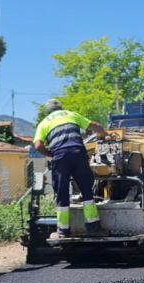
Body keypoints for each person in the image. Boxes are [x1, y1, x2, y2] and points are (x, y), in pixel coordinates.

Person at [33, 98, 106, 236]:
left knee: (62, 193)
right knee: (86, 190)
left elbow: (37, 145)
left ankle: (63, 230)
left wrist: (50, 153)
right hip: (78, 153)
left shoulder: (44, 123)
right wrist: (105, 136)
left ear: (47, 112)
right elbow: (95, 126)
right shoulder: (71, 114)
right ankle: (93, 227)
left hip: (60, 157)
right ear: (61, 108)